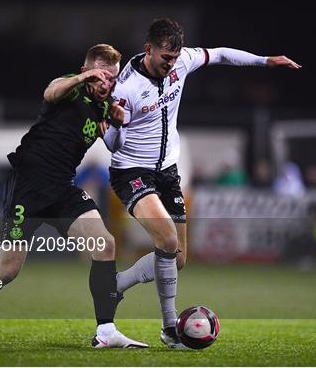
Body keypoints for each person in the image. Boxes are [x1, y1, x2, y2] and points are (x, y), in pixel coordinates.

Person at [102, 18, 301, 348]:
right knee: (166, 239)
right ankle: (169, 329)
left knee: (177, 257)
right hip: (132, 172)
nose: (171, 64)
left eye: (175, 57)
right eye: (166, 57)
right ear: (148, 49)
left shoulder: (182, 61)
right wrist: (116, 125)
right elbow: (111, 145)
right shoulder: (125, 88)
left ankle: (117, 284)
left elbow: (221, 54)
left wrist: (265, 60)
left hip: (167, 170)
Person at [0, 44, 147, 349]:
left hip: (62, 188)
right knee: (5, 272)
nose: (106, 83)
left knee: (105, 244)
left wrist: (118, 122)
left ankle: (106, 330)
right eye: (101, 76)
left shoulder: (105, 106)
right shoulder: (71, 88)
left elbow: (117, 146)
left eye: (111, 78)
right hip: (28, 186)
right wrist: (82, 78)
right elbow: (51, 92)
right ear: (85, 71)